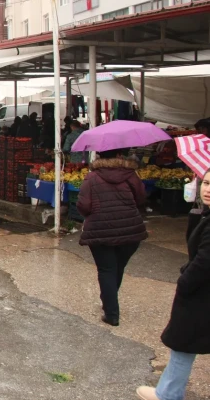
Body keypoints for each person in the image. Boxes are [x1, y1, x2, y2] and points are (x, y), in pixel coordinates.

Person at [136, 170, 210, 400]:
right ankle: (167, 391)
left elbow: (205, 260)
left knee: (183, 344)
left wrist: (185, 281)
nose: (208, 189)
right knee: (184, 346)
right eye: (206, 183)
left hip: (201, 295)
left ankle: (168, 394)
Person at [76, 149, 148, 326]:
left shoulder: (92, 177)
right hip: (130, 229)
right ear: (119, 156)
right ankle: (109, 300)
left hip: (100, 230)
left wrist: (92, 214)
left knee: (107, 269)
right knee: (117, 267)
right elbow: (141, 198)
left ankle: (111, 313)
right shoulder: (131, 175)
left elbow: (83, 205)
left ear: (99, 156)